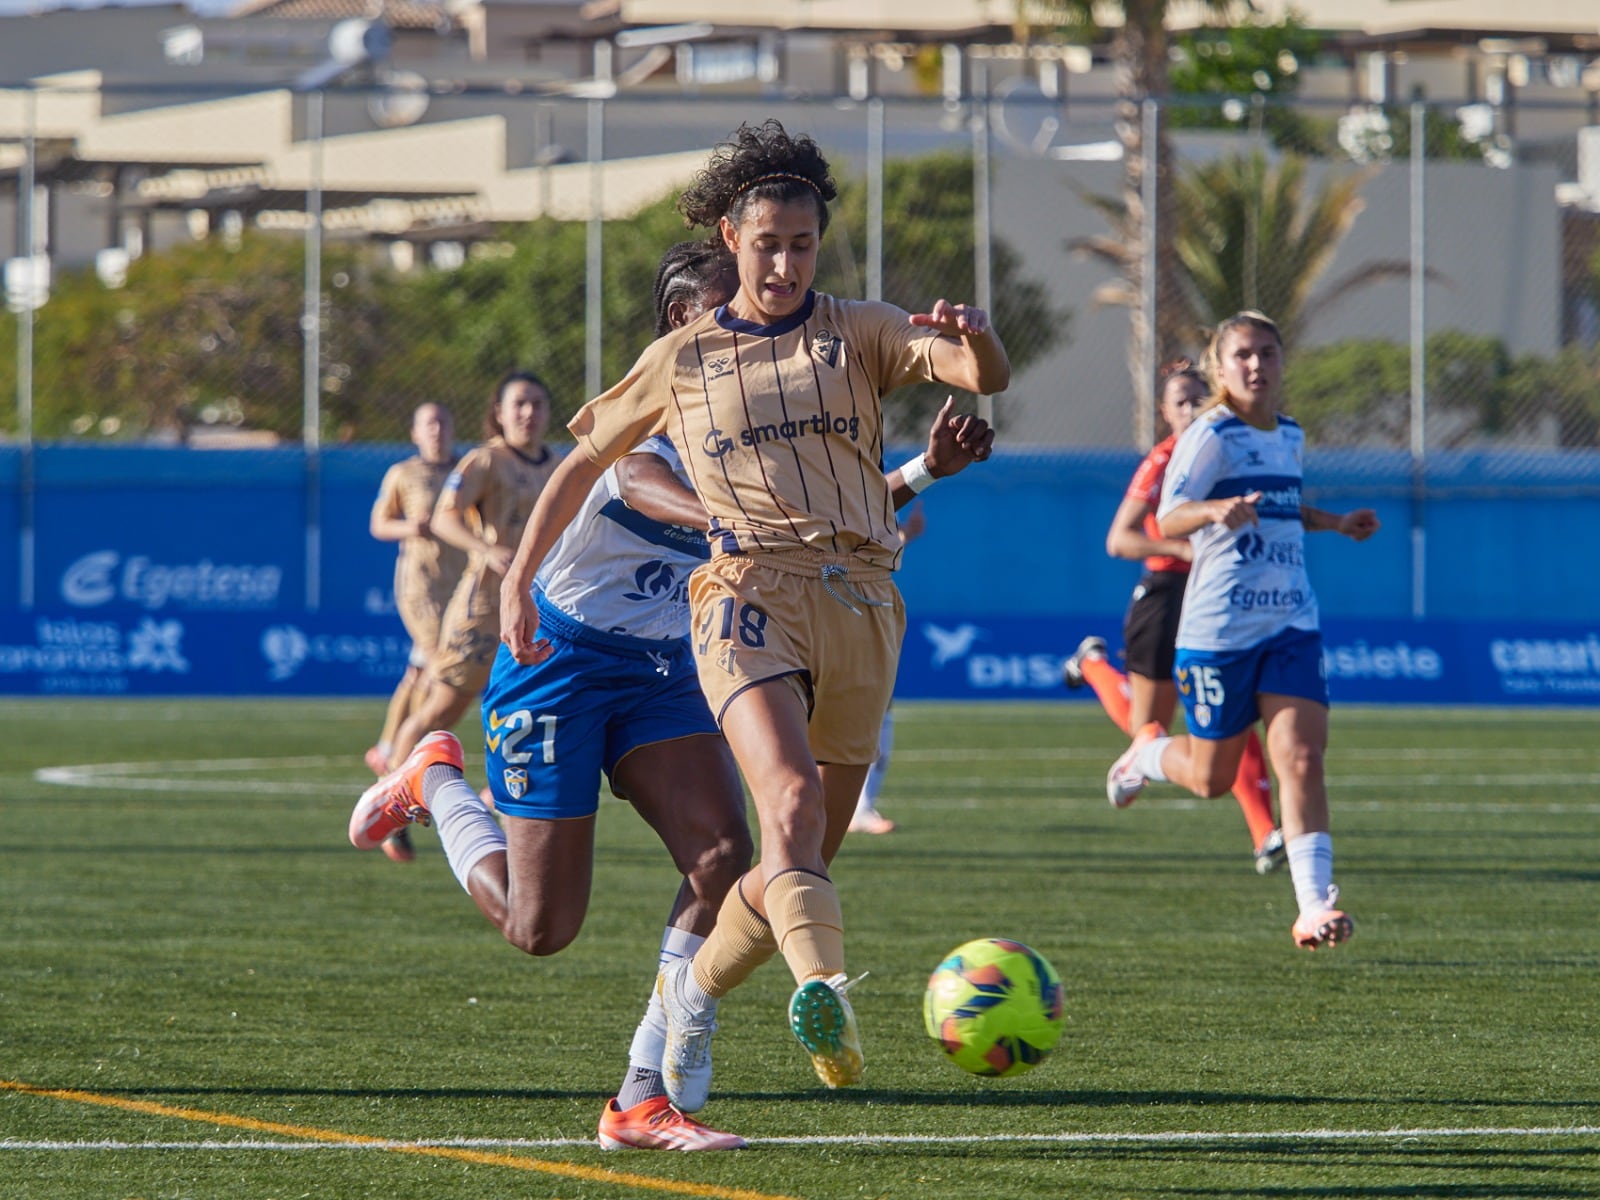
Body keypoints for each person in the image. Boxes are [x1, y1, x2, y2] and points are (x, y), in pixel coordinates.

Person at [349, 237, 995, 1148]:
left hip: (665, 673)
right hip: (561, 664)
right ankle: (435, 784)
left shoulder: (765, 418)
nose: (746, 324)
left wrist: (926, 470)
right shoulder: (655, 412)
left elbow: (831, 517)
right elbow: (646, 486)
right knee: (541, 930)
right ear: (679, 329)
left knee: (728, 855)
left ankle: (644, 1091)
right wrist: (731, 520)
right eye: (719, 309)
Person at [497, 118, 1008, 1112]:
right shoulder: (684, 358)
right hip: (744, 596)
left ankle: (684, 1003)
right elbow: (586, 463)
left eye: (801, 244)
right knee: (785, 809)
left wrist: (980, 345)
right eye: (766, 241)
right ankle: (825, 992)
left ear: (821, 247)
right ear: (731, 239)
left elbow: (975, 377)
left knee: (792, 862)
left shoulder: (857, 328)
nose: (782, 261)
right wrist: (517, 577)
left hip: (863, 601)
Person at [1105, 311, 1379, 951]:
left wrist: (1336, 524)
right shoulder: (1210, 435)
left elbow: (1280, 509)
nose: (1257, 365)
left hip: (1289, 622)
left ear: (1283, 363)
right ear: (1220, 368)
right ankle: (1145, 753)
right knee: (1212, 779)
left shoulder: (1290, 434)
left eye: (1268, 353)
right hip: (1219, 630)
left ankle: (1313, 907)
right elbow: (1170, 517)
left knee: (1303, 760)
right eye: (1244, 356)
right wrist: (1212, 511)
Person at [1062, 359, 1285, 874]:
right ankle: (1094, 662)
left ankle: (1264, 834)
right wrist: (1185, 551)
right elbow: (1120, 539)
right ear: (1164, 411)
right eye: (1179, 401)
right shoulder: (1163, 461)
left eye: (1197, 399)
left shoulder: (1231, 452)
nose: (1188, 409)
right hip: (1165, 594)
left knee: (1235, 710)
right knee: (1149, 725)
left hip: (1220, 595)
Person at [375, 372, 557, 859]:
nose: (528, 413)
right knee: (441, 710)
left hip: (538, 608)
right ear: (498, 411)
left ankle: (495, 798)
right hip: (482, 609)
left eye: (537, 403)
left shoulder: (557, 465)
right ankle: (390, 798)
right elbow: (444, 517)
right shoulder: (486, 461)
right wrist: (488, 549)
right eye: (518, 403)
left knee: (547, 713)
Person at [364, 404, 466, 809]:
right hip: (421, 589)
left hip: (462, 588)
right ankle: (412, 755)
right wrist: (413, 527)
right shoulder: (403, 475)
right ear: (415, 433)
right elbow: (379, 524)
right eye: (429, 424)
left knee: (419, 670)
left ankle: (387, 747)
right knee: (440, 665)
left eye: (444, 422)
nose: (438, 430)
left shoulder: (467, 470)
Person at [848, 501, 925, 836]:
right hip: (839, 598)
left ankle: (860, 807)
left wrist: (904, 534)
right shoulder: (833, 464)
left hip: (868, 596)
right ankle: (851, 807)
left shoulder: (869, 471)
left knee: (878, 701)